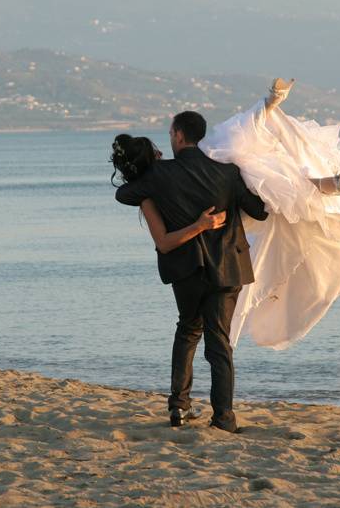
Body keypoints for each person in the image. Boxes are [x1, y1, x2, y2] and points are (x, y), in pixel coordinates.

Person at [112, 112, 268, 433]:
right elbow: (259, 211)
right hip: (228, 267)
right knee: (219, 343)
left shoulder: (160, 174)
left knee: (188, 331)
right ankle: (224, 418)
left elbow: (123, 194)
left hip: (187, 270)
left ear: (179, 136)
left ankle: (179, 407)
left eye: (171, 133)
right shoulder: (227, 172)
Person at [200, 79, 340, 351]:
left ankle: (321, 182)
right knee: (282, 175)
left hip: (255, 188)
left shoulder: (219, 153)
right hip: (265, 182)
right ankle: (323, 184)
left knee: (275, 178)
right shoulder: (238, 149)